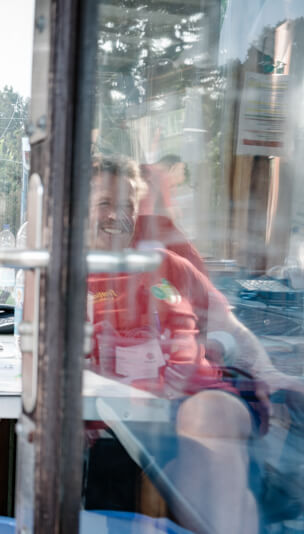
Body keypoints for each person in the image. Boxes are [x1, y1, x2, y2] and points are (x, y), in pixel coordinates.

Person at [86, 155, 304, 534]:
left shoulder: (168, 265)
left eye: (127, 205)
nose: (117, 215)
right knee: (218, 484)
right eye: (105, 203)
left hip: (196, 402)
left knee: (209, 418)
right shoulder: (68, 274)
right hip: (125, 418)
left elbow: (230, 328)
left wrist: (267, 371)